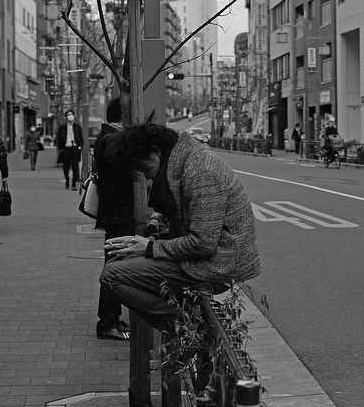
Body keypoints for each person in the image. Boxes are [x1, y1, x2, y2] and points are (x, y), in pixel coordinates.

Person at [99, 123, 261, 332]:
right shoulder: (184, 161)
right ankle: (191, 323)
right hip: (209, 259)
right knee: (120, 260)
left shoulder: (200, 172)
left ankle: (195, 326)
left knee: (111, 275)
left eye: (146, 169)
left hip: (216, 265)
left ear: (157, 152)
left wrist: (150, 248)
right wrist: (151, 242)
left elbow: (203, 243)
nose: (147, 178)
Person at [92, 98, 134, 340]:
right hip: (118, 212)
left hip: (114, 211)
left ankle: (111, 320)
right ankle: (107, 322)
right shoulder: (112, 140)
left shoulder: (106, 136)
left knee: (115, 264)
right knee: (114, 267)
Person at [55, 109, 84, 190]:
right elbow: (59, 139)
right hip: (66, 149)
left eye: (71, 114)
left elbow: (81, 138)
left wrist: (79, 147)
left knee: (75, 168)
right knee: (66, 168)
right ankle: (67, 179)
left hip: (75, 149)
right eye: (68, 115)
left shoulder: (77, 127)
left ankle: (74, 183)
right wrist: (61, 149)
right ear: (66, 117)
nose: (70, 116)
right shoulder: (62, 128)